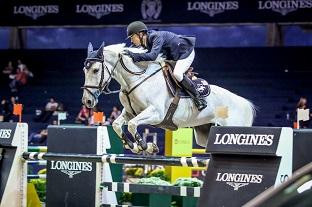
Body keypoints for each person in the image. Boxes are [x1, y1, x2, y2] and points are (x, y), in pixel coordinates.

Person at [123, 21, 207, 111]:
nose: (131, 40)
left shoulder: (155, 37)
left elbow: (152, 56)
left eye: (132, 37)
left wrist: (132, 55)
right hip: (172, 57)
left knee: (177, 74)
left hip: (185, 52)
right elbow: (132, 51)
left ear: (140, 34)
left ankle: (198, 98)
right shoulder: (143, 42)